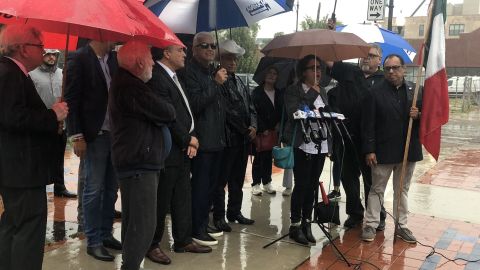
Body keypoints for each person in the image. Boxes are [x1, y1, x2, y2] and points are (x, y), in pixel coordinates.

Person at [0, 24, 69, 270]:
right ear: (21, 49)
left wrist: (52, 122)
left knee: (14, 225)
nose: (43, 50)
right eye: (39, 46)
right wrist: (52, 116)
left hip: (18, 168)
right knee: (28, 230)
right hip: (22, 169)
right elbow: (11, 118)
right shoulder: (9, 74)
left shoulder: (14, 73)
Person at [108, 40, 175, 270]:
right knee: (143, 225)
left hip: (138, 162)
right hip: (138, 164)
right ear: (139, 63)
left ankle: (130, 264)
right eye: (149, 59)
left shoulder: (129, 83)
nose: (154, 64)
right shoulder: (130, 86)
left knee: (134, 222)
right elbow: (167, 111)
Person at [146, 45, 212, 265]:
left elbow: (186, 111)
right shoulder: (157, 77)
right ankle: (152, 244)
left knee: (182, 196)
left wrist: (192, 137)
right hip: (169, 148)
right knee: (162, 198)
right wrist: (187, 139)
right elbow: (167, 116)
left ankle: (183, 239)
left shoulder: (175, 77)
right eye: (180, 51)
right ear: (167, 53)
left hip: (184, 148)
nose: (184, 54)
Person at [64, 40, 121, 261]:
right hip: (93, 136)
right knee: (93, 189)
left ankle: (106, 234)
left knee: (111, 188)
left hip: (114, 134)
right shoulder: (79, 59)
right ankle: (93, 240)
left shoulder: (113, 59)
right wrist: (76, 135)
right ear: (100, 34)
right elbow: (71, 100)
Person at [361, 54, 422, 244]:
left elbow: (428, 118)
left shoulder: (416, 91)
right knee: (376, 189)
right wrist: (369, 150)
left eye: (395, 68)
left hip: (407, 151)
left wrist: (418, 114)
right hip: (382, 151)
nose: (391, 72)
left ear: (404, 69)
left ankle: (402, 226)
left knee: (401, 190)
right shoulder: (375, 92)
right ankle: (370, 224)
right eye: (387, 68)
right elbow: (367, 123)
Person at [325, 43, 386, 230]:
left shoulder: (384, 80)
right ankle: (355, 213)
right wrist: (331, 35)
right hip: (345, 138)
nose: (367, 58)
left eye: (371, 55)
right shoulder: (348, 71)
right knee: (348, 178)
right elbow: (329, 61)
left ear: (379, 60)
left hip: (370, 142)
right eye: (364, 55)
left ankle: (376, 215)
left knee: (372, 181)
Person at [184, 32, 228, 246]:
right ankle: (196, 228)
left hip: (217, 139)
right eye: (204, 45)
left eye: (212, 45)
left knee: (211, 187)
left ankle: (203, 222)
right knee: (200, 187)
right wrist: (215, 83)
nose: (210, 49)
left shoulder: (212, 71)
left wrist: (216, 80)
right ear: (194, 49)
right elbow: (194, 103)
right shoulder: (189, 71)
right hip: (202, 140)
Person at [284, 55, 330, 245]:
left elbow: (327, 116)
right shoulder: (293, 91)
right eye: (312, 68)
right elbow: (295, 113)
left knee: (312, 186)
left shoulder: (324, 91)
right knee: (301, 184)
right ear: (303, 71)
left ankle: (307, 222)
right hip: (302, 143)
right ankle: (295, 225)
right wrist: (312, 92)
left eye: (320, 68)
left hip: (321, 143)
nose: (317, 71)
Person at [212, 39, 257, 232]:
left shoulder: (239, 80)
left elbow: (250, 105)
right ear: (220, 59)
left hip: (243, 140)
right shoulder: (218, 81)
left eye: (234, 59)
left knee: (238, 178)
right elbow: (227, 111)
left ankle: (235, 211)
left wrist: (254, 125)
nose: (232, 62)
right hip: (228, 138)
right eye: (228, 58)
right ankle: (219, 216)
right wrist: (244, 129)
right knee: (221, 180)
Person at [29, 49, 77, 198]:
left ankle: (59, 186)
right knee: (39, 156)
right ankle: (38, 185)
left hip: (59, 123)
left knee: (59, 155)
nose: (51, 57)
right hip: (40, 122)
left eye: (54, 55)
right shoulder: (31, 75)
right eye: (48, 54)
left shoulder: (63, 74)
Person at [251, 66, 283, 196]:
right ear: (264, 75)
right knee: (259, 157)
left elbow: (282, 111)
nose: (271, 75)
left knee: (269, 157)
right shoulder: (257, 92)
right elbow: (253, 111)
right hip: (261, 131)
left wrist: (279, 123)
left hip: (274, 130)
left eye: (274, 73)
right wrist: (262, 128)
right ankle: (256, 184)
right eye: (269, 72)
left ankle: (267, 182)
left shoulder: (279, 93)